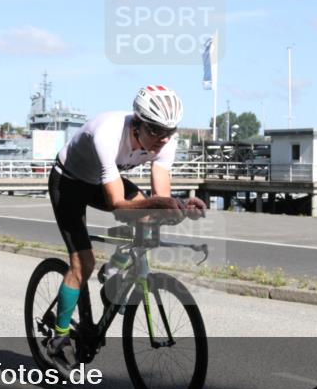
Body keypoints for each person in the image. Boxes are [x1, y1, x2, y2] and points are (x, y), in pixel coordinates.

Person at [45, 85, 206, 370]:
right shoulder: (107, 132)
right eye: (155, 131)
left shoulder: (167, 140)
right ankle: (58, 340)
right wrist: (160, 203)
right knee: (83, 262)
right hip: (69, 182)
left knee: (150, 214)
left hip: (98, 181)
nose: (163, 139)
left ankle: (115, 269)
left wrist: (178, 208)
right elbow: (117, 203)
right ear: (137, 123)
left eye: (170, 131)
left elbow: (161, 197)